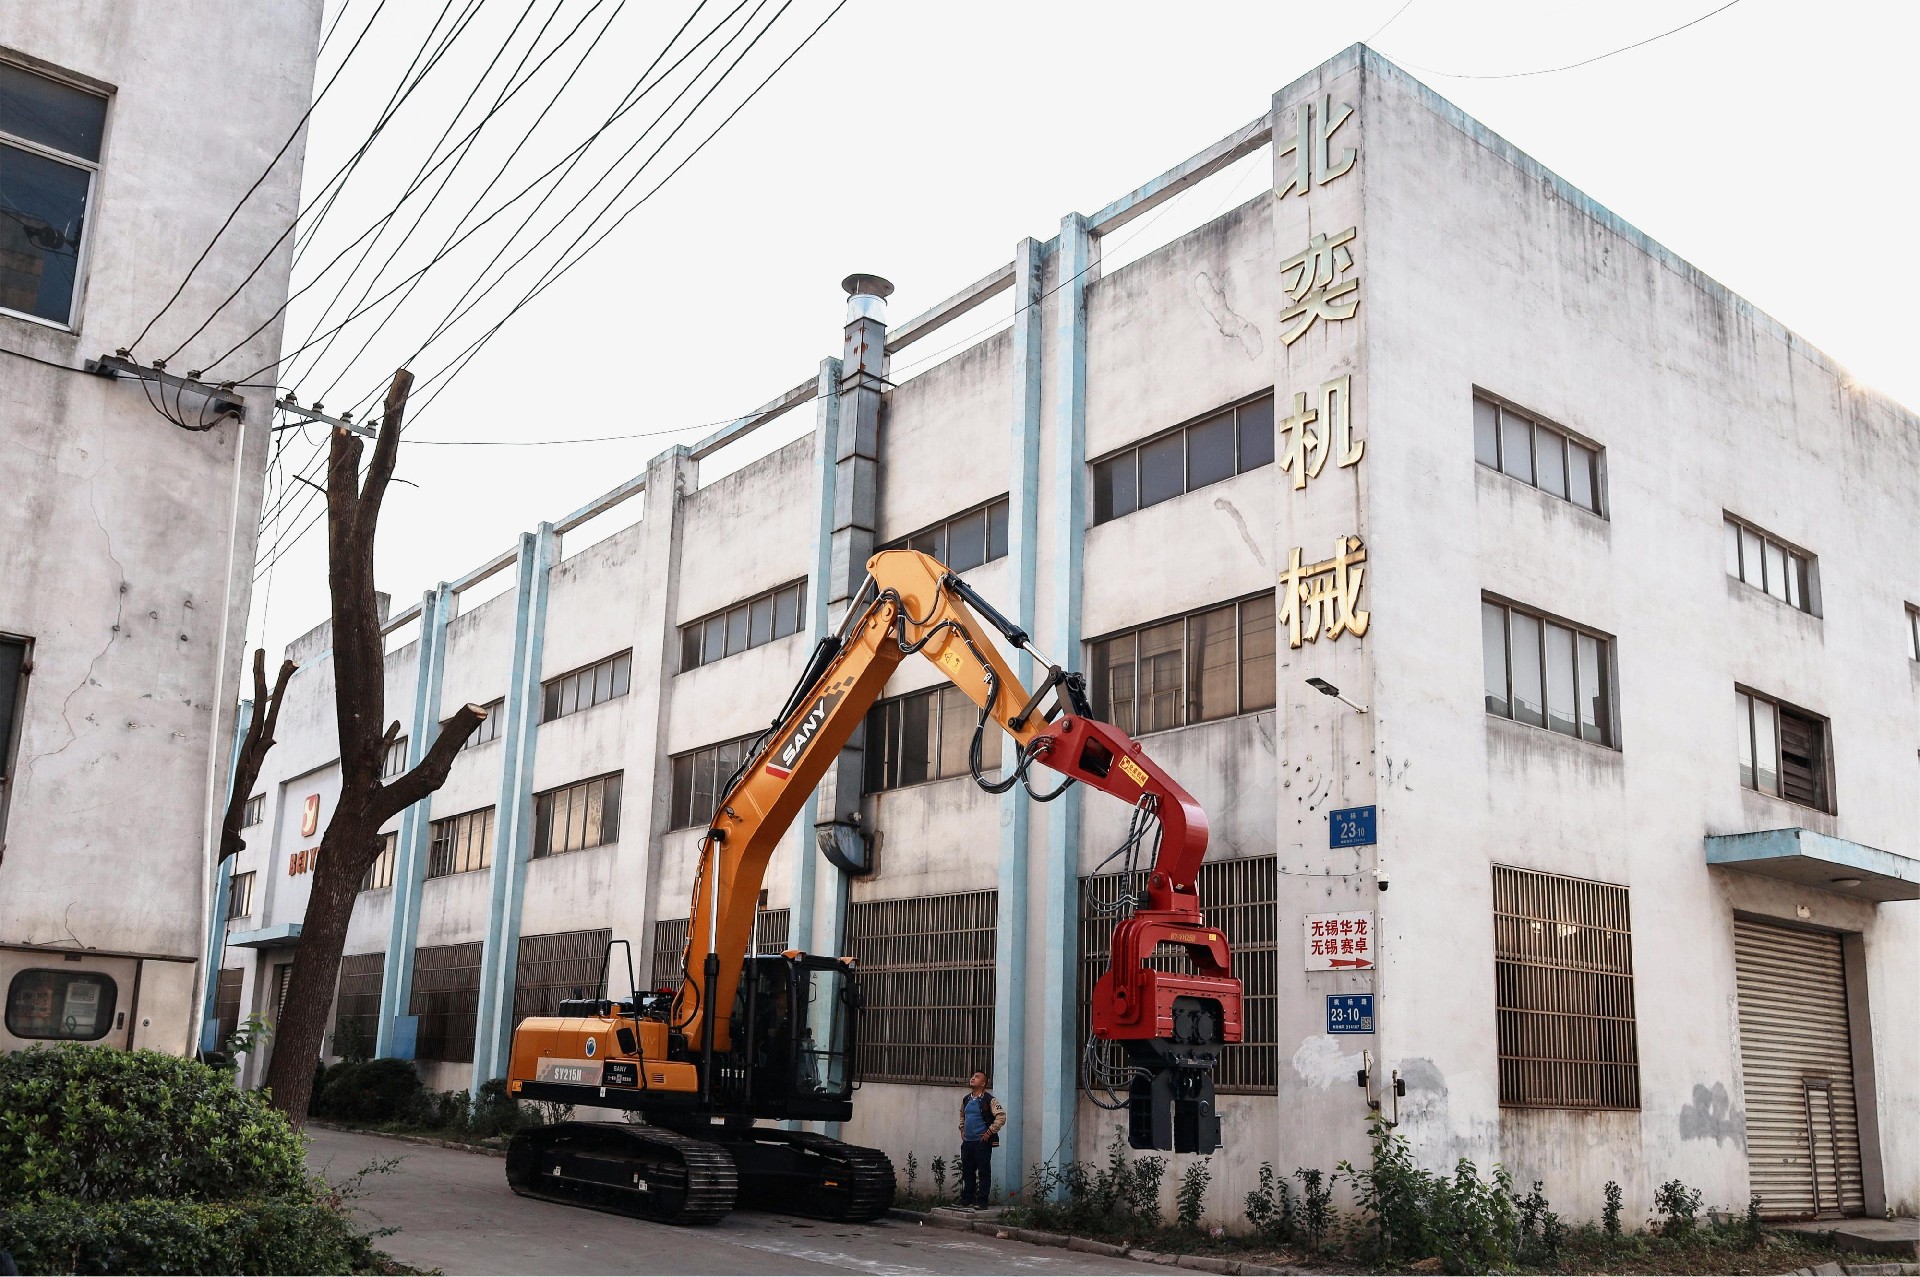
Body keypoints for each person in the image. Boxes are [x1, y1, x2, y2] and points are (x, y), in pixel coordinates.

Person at [956, 1069, 1005, 1209]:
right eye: (972, 1076)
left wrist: (989, 1132)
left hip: (981, 1142)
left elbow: (1001, 1116)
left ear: (983, 1083)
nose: (973, 1078)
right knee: (967, 1171)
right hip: (968, 1142)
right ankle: (967, 1199)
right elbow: (962, 1115)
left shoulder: (989, 1100)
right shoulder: (966, 1099)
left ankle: (982, 1201)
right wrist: (962, 1129)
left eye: (976, 1077)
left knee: (983, 1172)